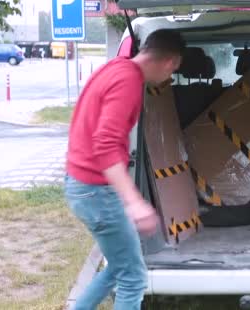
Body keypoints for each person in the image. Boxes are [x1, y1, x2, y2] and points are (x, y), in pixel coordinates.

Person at [64, 29, 185, 309]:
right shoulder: (128, 82)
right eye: (174, 71)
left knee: (118, 268)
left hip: (83, 187)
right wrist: (134, 202)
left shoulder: (115, 67)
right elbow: (104, 144)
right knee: (133, 277)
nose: (170, 78)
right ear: (170, 62)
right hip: (95, 192)